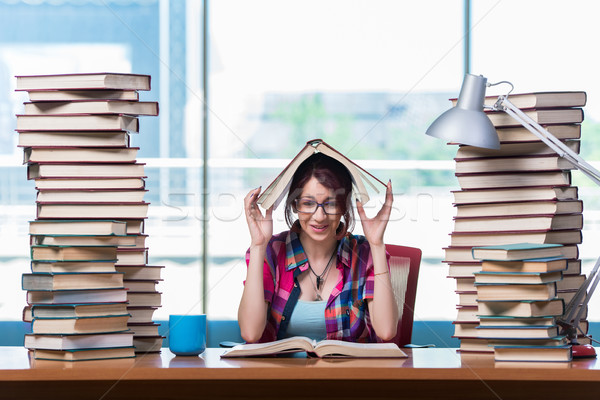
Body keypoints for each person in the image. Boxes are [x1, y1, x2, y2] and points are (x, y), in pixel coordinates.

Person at [238, 152, 398, 343]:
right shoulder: (271, 251)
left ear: (344, 206)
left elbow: (386, 331)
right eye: (308, 203)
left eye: (331, 204)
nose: (319, 216)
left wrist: (377, 245)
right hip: (281, 373)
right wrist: (258, 246)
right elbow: (250, 333)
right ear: (294, 205)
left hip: (349, 372)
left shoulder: (364, 252)